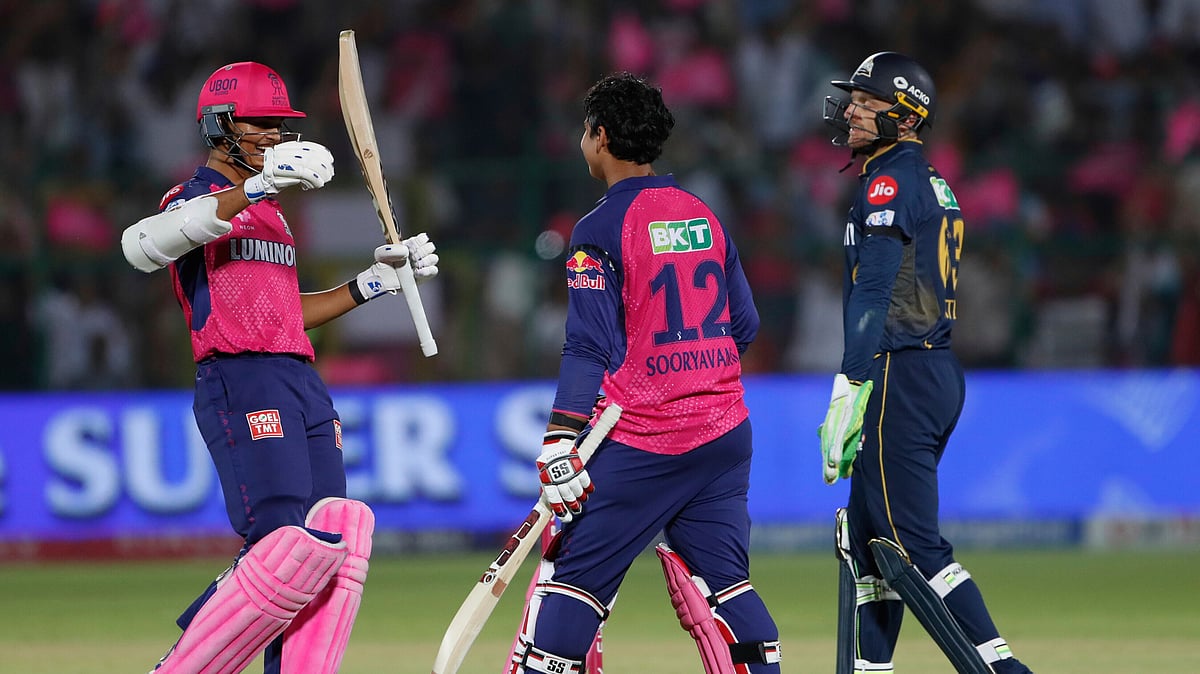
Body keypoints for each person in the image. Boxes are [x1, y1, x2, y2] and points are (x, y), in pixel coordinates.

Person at [120, 61, 439, 674]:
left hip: (298, 377)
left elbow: (285, 312)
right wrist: (258, 187)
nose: (274, 135)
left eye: (280, 124)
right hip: (240, 376)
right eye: (260, 123)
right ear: (218, 124)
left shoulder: (274, 216)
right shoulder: (192, 201)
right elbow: (141, 246)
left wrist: (372, 284)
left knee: (330, 543)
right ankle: (185, 663)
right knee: (280, 542)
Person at [505, 72, 781, 674]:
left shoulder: (598, 229)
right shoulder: (702, 214)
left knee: (570, 581)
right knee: (727, 587)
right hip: (725, 433)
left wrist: (559, 437)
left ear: (600, 137)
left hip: (645, 438)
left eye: (585, 131)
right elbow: (747, 325)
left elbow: (587, 346)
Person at [818, 52, 1033, 674]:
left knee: (910, 546)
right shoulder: (925, 178)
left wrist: (851, 380)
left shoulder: (890, 181)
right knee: (868, 547)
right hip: (929, 369)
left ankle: (1002, 668)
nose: (852, 110)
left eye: (866, 101)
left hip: (899, 371)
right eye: (853, 98)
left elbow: (875, 286)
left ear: (906, 116)